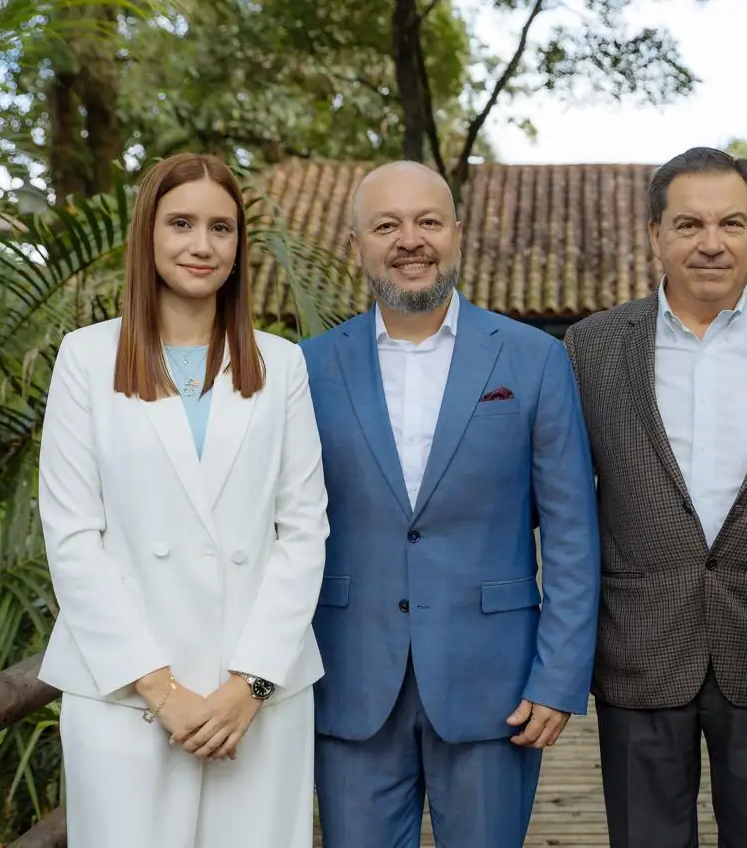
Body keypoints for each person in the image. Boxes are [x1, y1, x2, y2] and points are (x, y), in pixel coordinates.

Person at [561, 146, 747, 848]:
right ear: (655, 234)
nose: (710, 242)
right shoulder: (590, 348)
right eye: (688, 224)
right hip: (641, 644)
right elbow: (565, 492)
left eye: (730, 222)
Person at [301, 160, 601, 847]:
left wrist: (559, 678)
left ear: (457, 234)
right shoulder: (307, 367)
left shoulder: (534, 360)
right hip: (349, 677)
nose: (410, 240)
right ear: (357, 246)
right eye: (387, 225)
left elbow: (571, 535)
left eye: (428, 221)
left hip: (495, 683)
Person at [37, 153, 330, 846]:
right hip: (125, 694)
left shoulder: (281, 362)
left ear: (238, 246)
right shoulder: (86, 358)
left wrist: (247, 685)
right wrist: (162, 691)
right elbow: (72, 535)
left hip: (256, 700)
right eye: (181, 223)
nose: (202, 245)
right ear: (148, 234)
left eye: (221, 229)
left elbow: (303, 531)